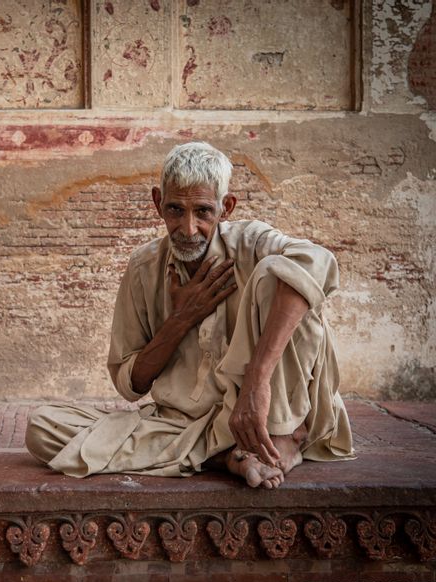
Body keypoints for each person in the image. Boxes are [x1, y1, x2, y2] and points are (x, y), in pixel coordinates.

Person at [26, 141, 355, 489]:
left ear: (225, 207)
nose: (187, 228)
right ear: (157, 203)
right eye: (174, 210)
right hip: (181, 423)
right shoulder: (143, 269)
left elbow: (320, 262)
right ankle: (226, 456)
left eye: (202, 211)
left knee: (282, 274)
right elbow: (130, 385)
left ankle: (279, 436)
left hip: (261, 412)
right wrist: (181, 319)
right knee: (44, 427)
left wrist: (257, 383)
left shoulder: (250, 243)